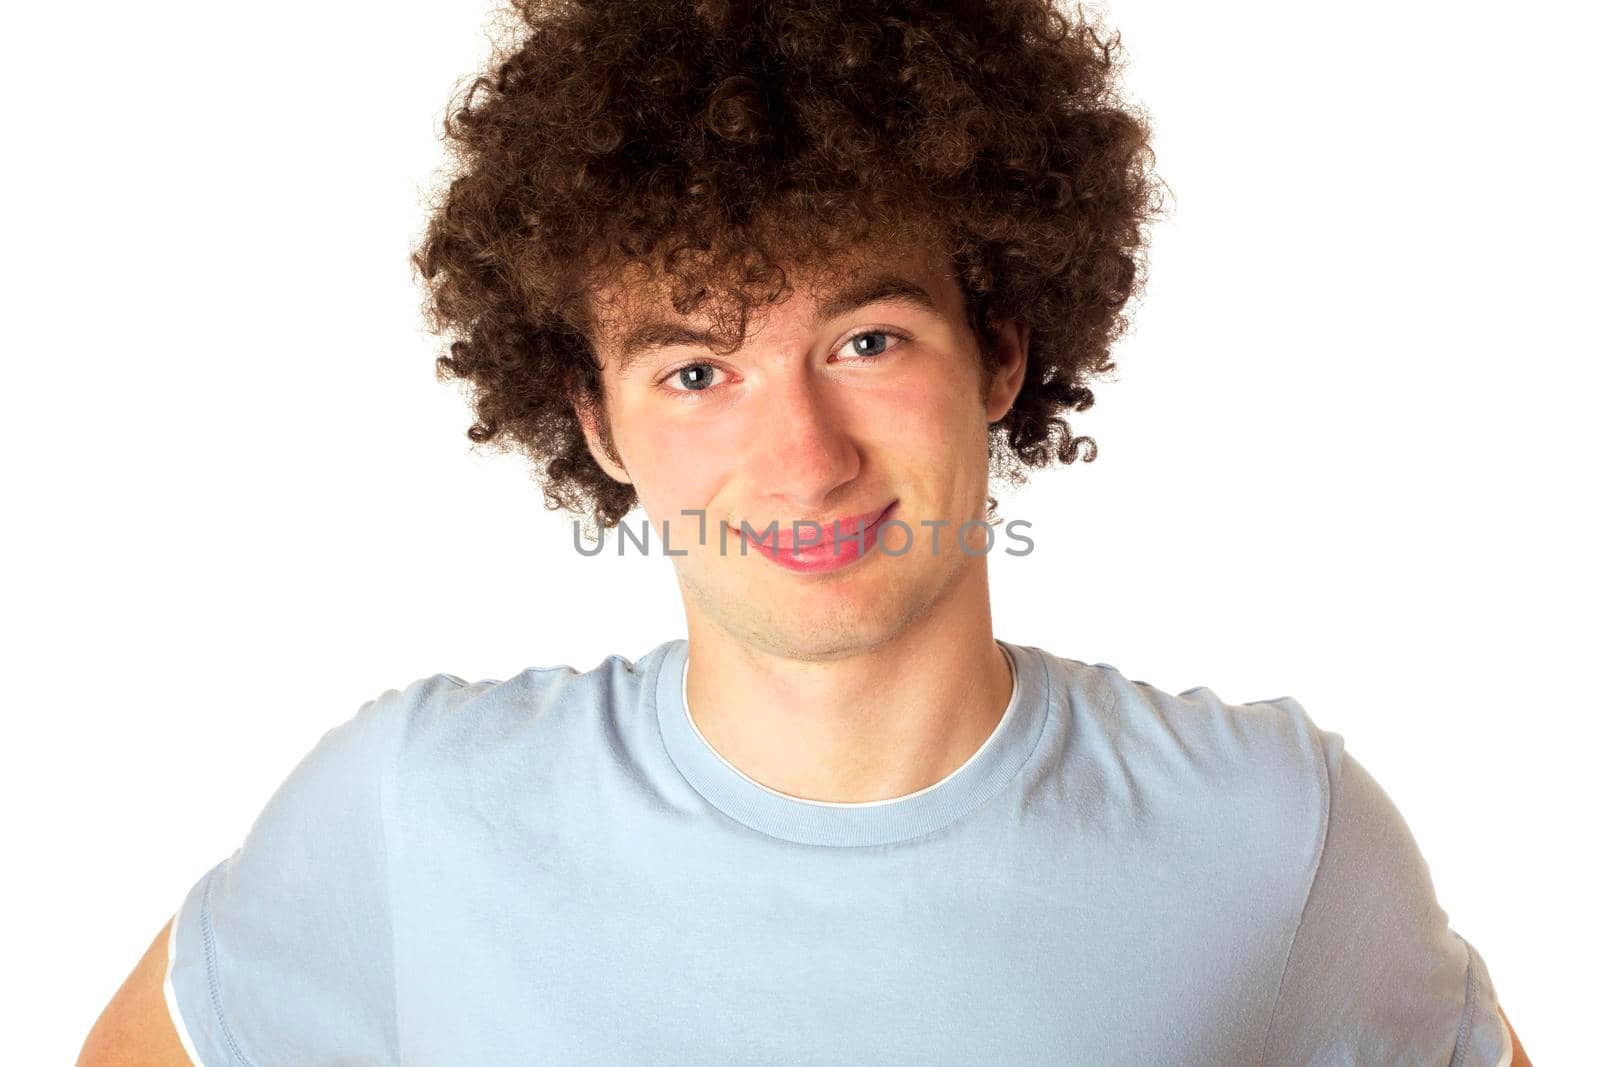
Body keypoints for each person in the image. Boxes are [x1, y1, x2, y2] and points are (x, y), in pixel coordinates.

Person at [79, 0, 1531, 1063]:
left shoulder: (1273, 828)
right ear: (596, 420)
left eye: (868, 340)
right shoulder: (412, 811)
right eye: (698, 370)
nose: (803, 457)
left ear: (1002, 351)